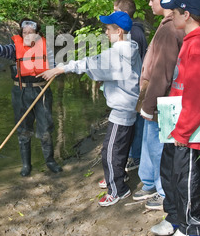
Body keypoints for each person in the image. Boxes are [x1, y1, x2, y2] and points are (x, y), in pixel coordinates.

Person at [39, 11, 142, 206]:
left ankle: (118, 190)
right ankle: (119, 178)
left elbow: (90, 64)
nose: (105, 32)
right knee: (119, 148)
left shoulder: (117, 54)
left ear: (118, 31)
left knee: (109, 152)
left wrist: (61, 68)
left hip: (122, 109)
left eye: (108, 29)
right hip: (128, 106)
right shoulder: (130, 49)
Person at [151, 0, 200, 236]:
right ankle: (174, 217)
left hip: (191, 131)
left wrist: (182, 131)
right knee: (170, 171)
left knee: (186, 176)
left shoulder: (198, 45)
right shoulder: (189, 42)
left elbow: (199, 95)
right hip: (179, 124)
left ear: (187, 14)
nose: (170, 15)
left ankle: (194, 224)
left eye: (174, 11)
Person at [0, 18, 62, 176]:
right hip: (21, 93)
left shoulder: (46, 48)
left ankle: (50, 161)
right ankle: (26, 165)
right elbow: (0, 49)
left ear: (38, 34)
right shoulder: (16, 48)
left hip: (41, 92)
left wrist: (56, 71)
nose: (28, 35)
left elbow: (53, 70)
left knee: (45, 130)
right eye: (25, 33)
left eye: (31, 33)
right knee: (23, 130)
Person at [133, 0, 184, 210]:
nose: (149, 4)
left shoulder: (170, 28)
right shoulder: (167, 25)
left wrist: (149, 105)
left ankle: (164, 191)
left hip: (161, 98)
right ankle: (149, 181)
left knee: (158, 143)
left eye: (152, 0)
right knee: (149, 139)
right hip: (153, 95)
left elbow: (163, 72)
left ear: (165, 0)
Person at [114, 0, 148, 172]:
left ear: (125, 14)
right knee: (137, 121)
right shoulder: (137, 30)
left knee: (136, 123)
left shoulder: (132, 33)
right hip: (137, 82)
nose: (113, 14)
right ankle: (136, 155)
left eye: (115, 11)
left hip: (135, 84)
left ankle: (136, 157)